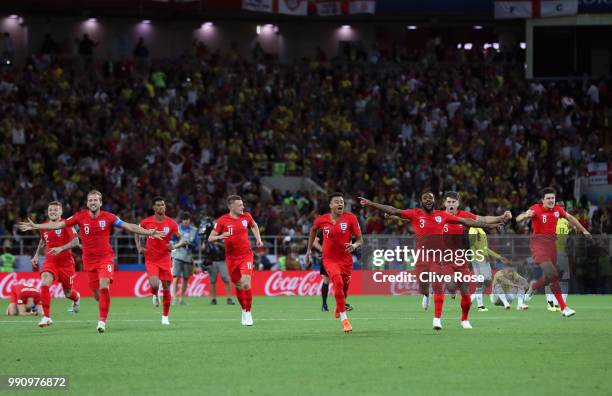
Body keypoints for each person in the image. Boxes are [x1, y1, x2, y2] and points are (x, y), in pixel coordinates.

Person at [19, 190, 163, 333]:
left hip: (105, 258)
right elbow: (58, 225)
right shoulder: (79, 217)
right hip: (88, 261)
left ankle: (102, 321)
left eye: (95, 200)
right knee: (96, 295)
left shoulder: (108, 217)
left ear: (100, 202)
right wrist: (37, 226)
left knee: (104, 286)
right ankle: (59, 313)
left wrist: (149, 232)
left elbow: (129, 226)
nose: (93, 202)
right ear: (87, 203)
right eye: (90, 200)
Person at [360, 191, 501, 331]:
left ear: (434, 201)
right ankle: (426, 295)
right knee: (424, 286)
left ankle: (453, 320)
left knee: (452, 287)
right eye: (425, 198)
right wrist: (371, 203)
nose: (428, 200)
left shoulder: (442, 215)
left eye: (430, 198)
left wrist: (489, 226)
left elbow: (467, 221)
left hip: (442, 257)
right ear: (421, 201)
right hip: (422, 257)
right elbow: (394, 210)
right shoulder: (415, 214)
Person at [516, 187, 590, 317]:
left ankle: (533, 287)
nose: (551, 200)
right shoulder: (536, 208)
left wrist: (583, 230)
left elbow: (570, 217)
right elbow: (519, 218)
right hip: (538, 246)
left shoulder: (557, 209)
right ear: (542, 200)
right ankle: (564, 308)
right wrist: (524, 216)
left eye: (553, 198)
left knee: (548, 277)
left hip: (552, 247)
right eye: (548, 198)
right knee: (553, 274)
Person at [441, 191, 512, 313]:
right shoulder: (438, 216)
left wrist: (500, 217)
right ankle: (438, 289)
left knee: (467, 285)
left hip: (459, 256)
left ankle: (470, 305)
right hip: (444, 256)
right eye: (449, 202)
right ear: (444, 203)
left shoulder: (464, 215)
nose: (451, 204)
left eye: (453, 202)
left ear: (458, 203)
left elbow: (483, 218)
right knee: (452, 287)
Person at [305, 192, 363, 333]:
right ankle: (345, 320)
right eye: (337, 202)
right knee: (336, 281)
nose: (340, 204)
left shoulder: (351, 218)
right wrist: (308, 250)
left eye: (342, 201)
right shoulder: (322, 220)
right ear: (331, 205)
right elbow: (313, 231)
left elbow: (360, 239)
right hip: (329, 259)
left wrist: (354, 246)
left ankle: (339, 305)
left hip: (346, 260)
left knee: (344, 288)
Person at [208, 195, 264, 326]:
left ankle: (249, 313)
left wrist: (258, 239)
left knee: (245, 284)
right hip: (231, 258)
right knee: (238, 285)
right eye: (240, 205)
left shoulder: (246, 216)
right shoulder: (222, 220)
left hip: (246, 255)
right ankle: (244, 310)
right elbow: (211, 238)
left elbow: (254, 226)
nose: (243, 207)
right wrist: (222, 236)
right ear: (231, 207)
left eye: (242, 204)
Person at [31, 201, 81, 328]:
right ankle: (46, 317)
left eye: (55, 210)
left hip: (66, 264)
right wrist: (36, 255)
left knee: (68, 294)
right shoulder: (44, 226)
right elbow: (42, 241)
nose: (52, 212)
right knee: (44, 282)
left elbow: (76, 241)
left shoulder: (66, 224)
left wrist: (61, 248)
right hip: (50, 261)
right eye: (50, 210)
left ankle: (77, 298)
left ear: (61, 212)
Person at [135, 197, 180, 325]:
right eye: (158, 205)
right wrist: (139, 246)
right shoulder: (146, 222)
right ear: (154, 208)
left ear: (165, 207)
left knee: (166, 287)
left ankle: (165, 317)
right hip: (151, 258)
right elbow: (136, 232)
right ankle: (155, 294)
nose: (161, 207)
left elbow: (181, 239)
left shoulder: (171, 223)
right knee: (155, 285)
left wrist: (175, 246)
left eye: (162, 205)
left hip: (165, 259)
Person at [468, 226, 511, 311]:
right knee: (480, 281)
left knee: (487, 282)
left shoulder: (481, 230)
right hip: (478, 258)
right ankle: (480, 306)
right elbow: (473, 243)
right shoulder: (472, 230)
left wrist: (499, 257)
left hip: (484, 258)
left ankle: (471, 298)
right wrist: (482, 254)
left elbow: (485, 248)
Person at [199, 216, 235, 306]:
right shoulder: (207, 237)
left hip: (221, 260)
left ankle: (229, 298)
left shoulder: (222, 235)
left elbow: (227, 248)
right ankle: (213, 299)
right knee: (212, 281)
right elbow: (202, 249)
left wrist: (218, 242)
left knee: (226, 279)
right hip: (212, 261)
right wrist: (204, 241)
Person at [545, 201, 572, 311]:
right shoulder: (550, 219)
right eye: (560, 207)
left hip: (563, 254)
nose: (562, 209)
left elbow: (568, 236)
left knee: (564, 280)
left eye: (563, 207)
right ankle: (550, 303)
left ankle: (561, 304)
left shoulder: (567, 221)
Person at [171, 212, 199, 305]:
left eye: (187, 219)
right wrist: (180, 244)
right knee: (176, 277)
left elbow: (196, 245)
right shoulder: (176, 228)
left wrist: (190, 245)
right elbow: (172, 241)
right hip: (177, 256)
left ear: (189, 220)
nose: (186, 221)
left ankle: (182, 298)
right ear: (182, 220)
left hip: (188, 257)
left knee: (186, 278)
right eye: (184, 219)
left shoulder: (194, 230)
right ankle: (174, 297)